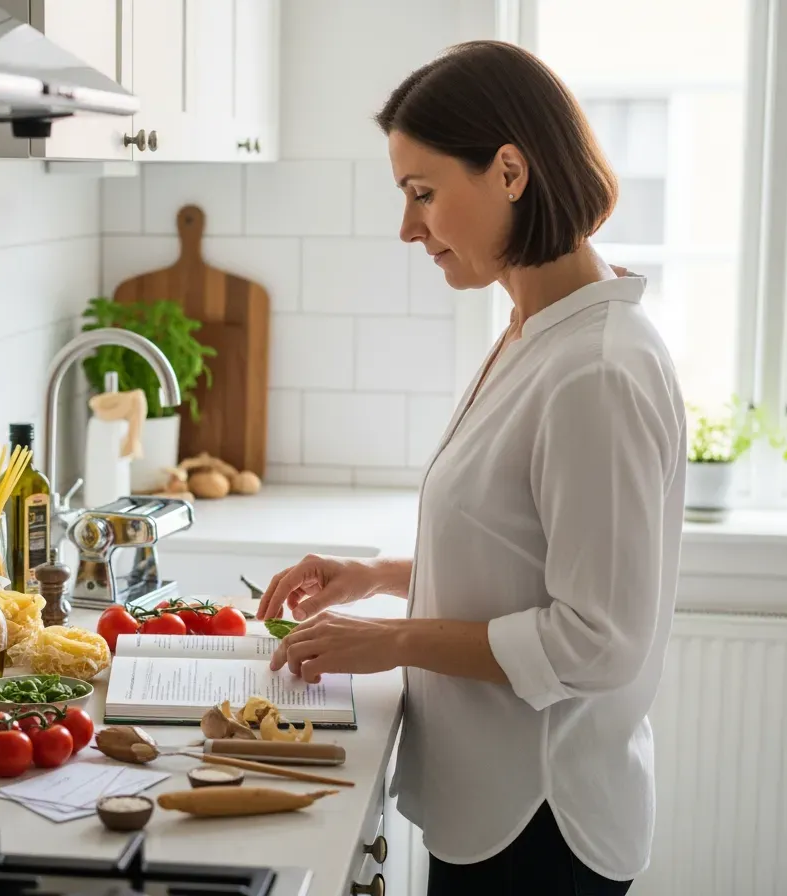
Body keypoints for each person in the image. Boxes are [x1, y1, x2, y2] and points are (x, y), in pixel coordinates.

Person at [258, 40, 686, 895]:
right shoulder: (537, 329)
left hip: (543, 824)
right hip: (499, 806)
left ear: (510, 172)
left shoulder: (596, 368)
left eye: (423, 193)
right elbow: (525, 556)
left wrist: (390, 641)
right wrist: (375, 577)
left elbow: (596, 640)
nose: (409, 226)